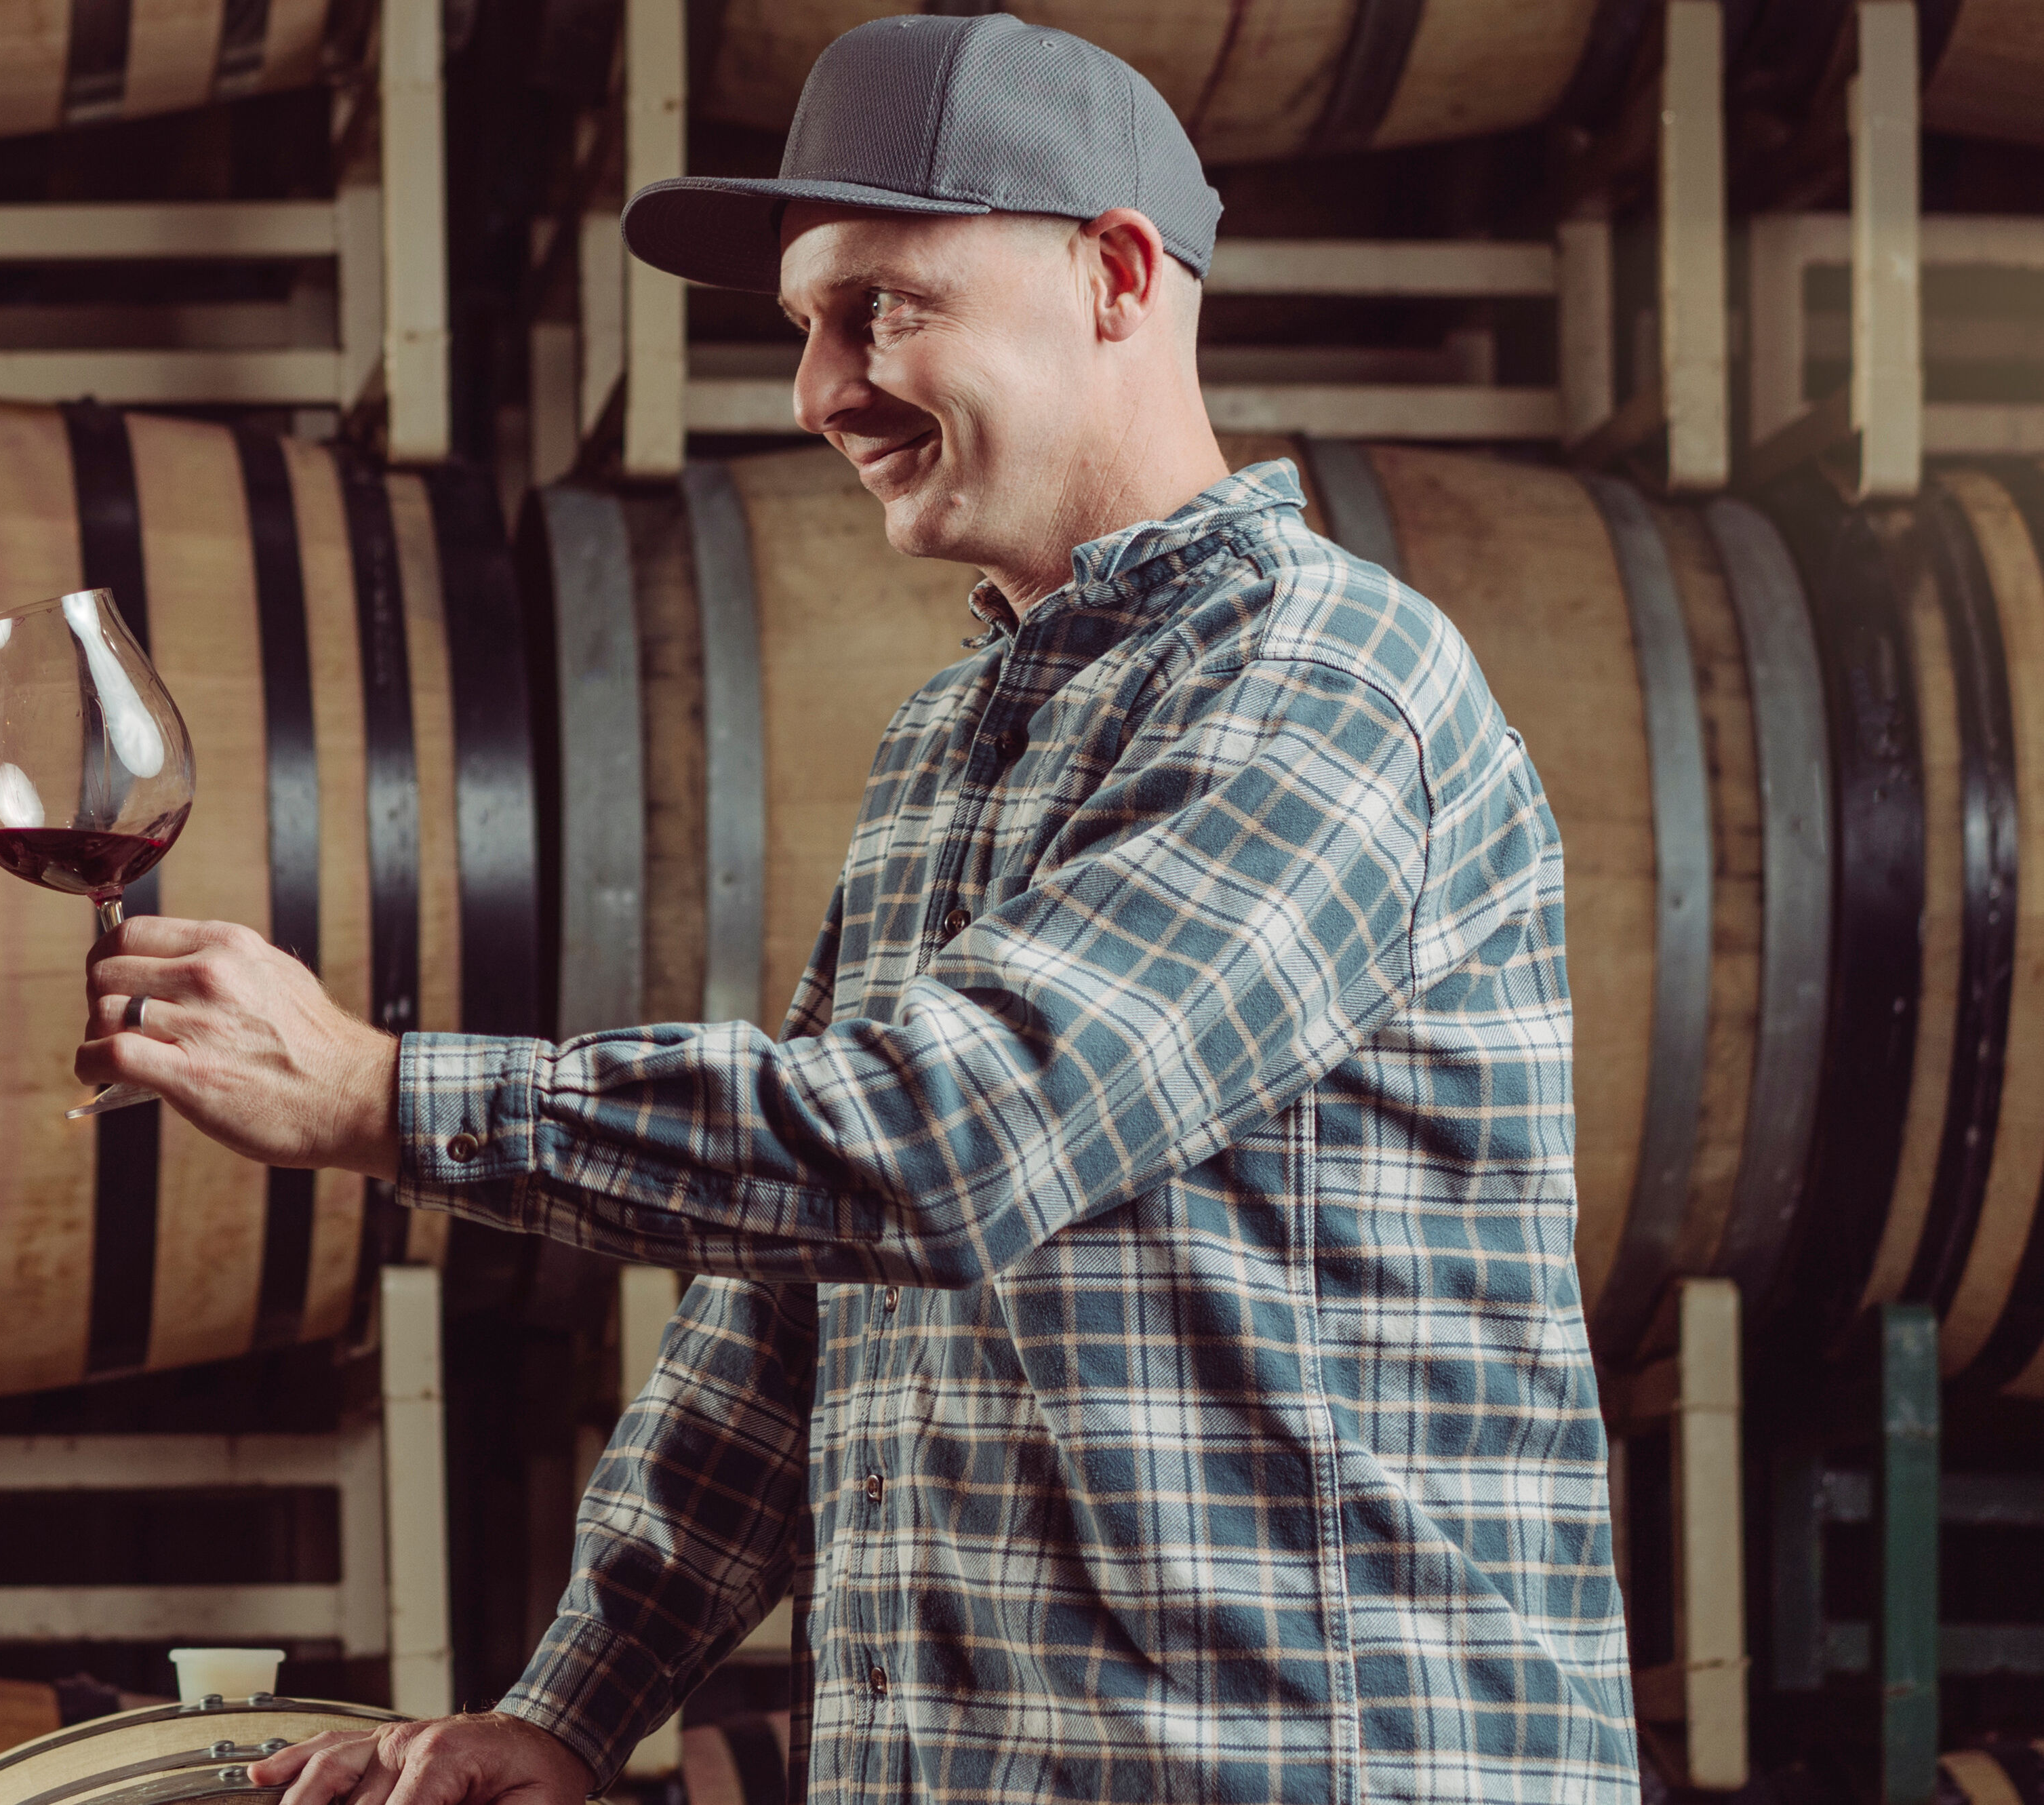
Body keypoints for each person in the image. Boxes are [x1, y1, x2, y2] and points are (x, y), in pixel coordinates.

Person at [92, 15, 1629, 1804]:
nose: (820, 391)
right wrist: (572, 1708)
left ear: (1116, 273)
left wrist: (381, 1096)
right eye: (803, 327)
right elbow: (796, 1289)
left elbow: (945, 1142)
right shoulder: (959, 732)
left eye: (881, 307)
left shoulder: (1313, 681)